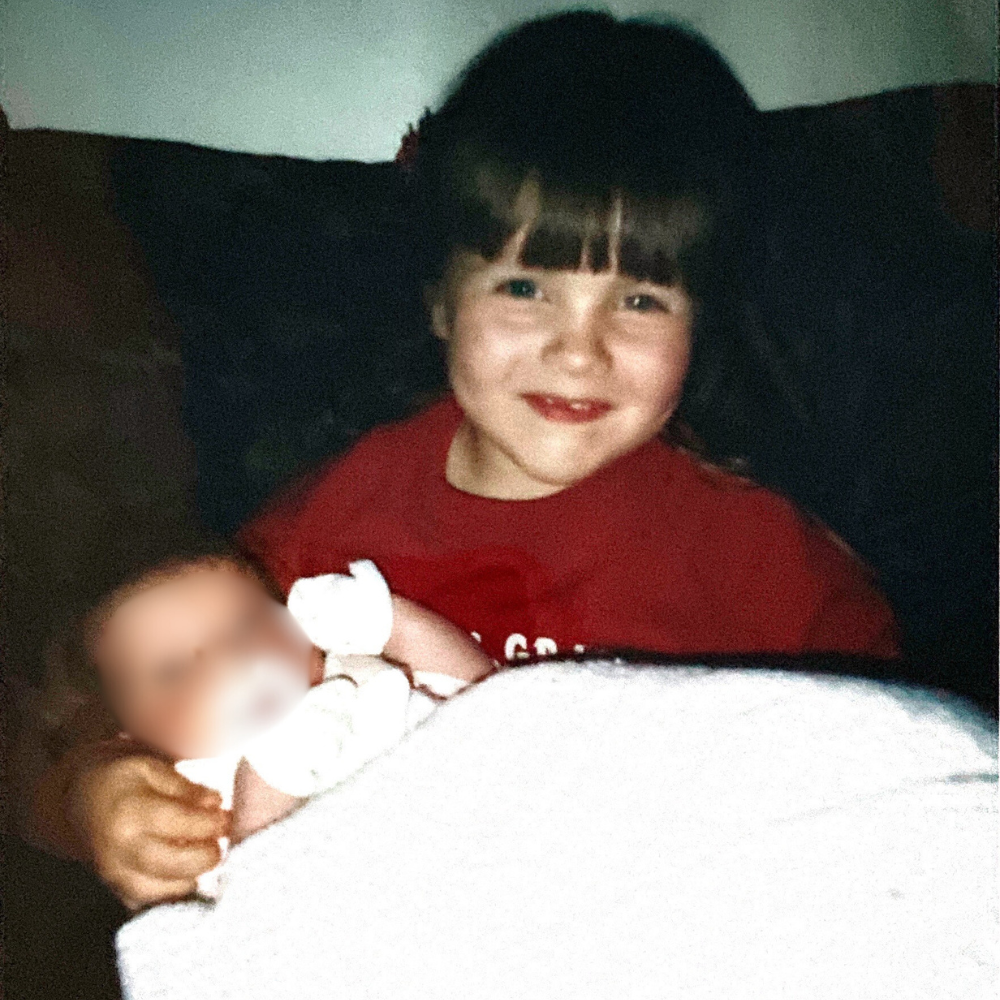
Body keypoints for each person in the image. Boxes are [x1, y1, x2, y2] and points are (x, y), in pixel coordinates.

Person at [35, 11, 899, 909]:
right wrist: (92, 800)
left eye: (640, 300)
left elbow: (901, 766)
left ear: (701, 325)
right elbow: (90, 701)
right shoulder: (323, 529)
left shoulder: (770, 561)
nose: (579, 351)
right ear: (441, 302)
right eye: (525, 287)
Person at [32, 550, 490, 908]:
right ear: (136, 742)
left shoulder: (360, 676)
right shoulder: (195, 801)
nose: (230, 661)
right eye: (172, 670)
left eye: (247, 623)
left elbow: (491, 700)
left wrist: (392, 625)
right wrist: (272, 779)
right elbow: (253, 909)